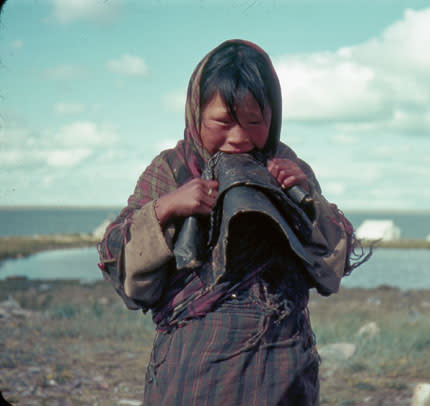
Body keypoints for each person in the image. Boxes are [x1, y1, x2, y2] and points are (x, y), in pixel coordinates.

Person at [97, 39, 369, 406]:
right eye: (223, 122)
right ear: (197, 114)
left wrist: (308, 201)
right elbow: (120, 264)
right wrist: (165, 209)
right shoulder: (171, 170)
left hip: (281, 367)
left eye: (255, 122)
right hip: (193, 371)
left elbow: (330, 266)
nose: (239, 138)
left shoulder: (288, 169)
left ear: (272, 117)